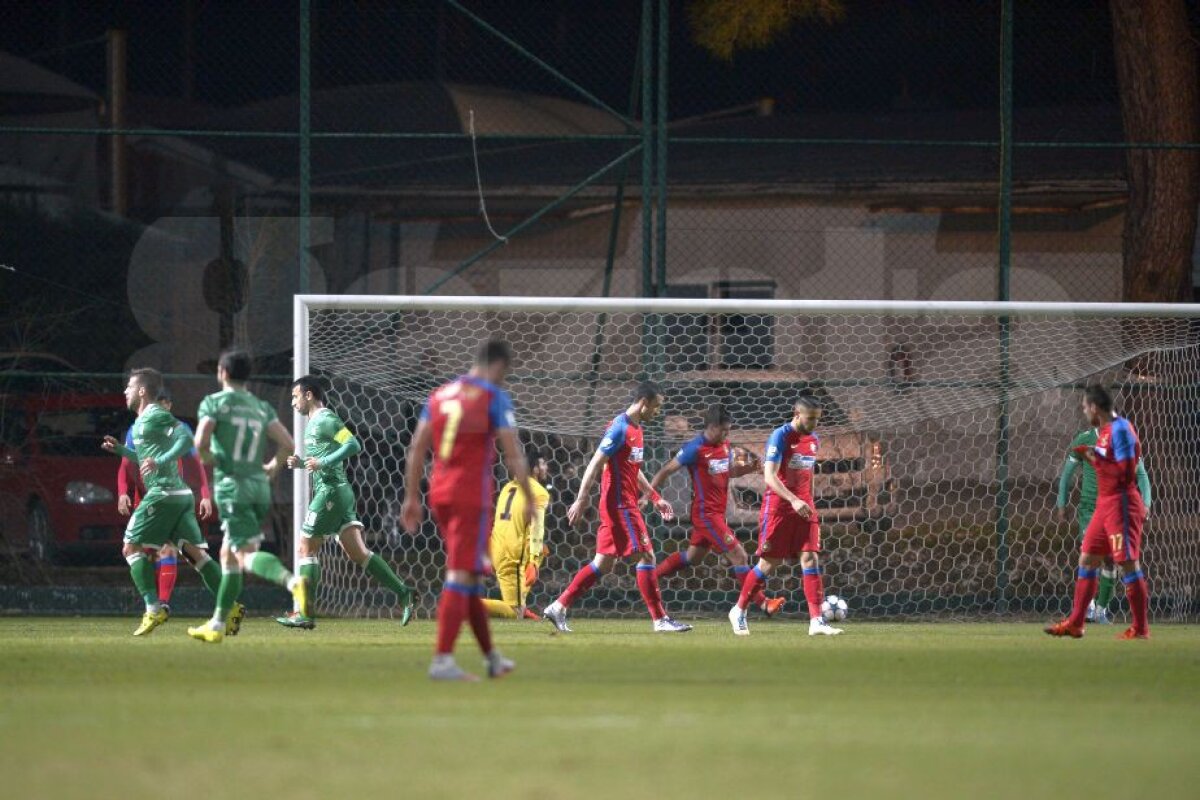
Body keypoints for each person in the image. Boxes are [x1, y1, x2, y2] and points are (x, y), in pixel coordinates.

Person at [402, 338, 532, 681]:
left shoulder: (440, 395)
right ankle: (442, 660)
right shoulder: (493, 397)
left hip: (439, 493)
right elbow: (512, 451)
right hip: (470, 496)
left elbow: (417, 448)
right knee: (460, 575)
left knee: (471, 576)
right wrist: (530, 499)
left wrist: (411, 496)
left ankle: (491, 658)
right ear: (499, 367)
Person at [542, 382, 693, 634]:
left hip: (624, 502)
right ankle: (660, 619)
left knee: (603, 563)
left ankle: (558, 606)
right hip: (620, 505)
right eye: (656, 407)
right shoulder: (619, 429)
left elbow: (633, 469)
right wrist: (581, 499)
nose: (657, 412)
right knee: (647, 556)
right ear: (644, 402)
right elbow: (595, 463)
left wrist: (655, 497)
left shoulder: (636, 429)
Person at [101, 368, 234, 636]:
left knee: (131, 548)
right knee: (197, 556)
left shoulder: (156, 414)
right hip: (179, 496)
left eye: (129, 386)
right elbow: (145, 459)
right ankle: (230, 607)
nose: (125, 391)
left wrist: (160, 460)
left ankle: (154, 608)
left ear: (141, 391)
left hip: (164, 494)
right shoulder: (140, 423)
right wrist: (121, 451)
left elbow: (186, 440)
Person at [277, 374, 416, 629]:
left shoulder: (325, 419)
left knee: (306, 547)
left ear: (309, 395)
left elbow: (353, 444)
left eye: (296, 396)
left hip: (330, 492)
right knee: (359, 553)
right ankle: (404, 592)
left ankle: (305, 613)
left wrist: (323, 462)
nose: (293, 402)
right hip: (337, 492)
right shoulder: (313, 422)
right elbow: (320, 458)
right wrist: (301, 464)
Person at [186, 350, 304, 643]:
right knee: (228, 555)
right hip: (258, 486)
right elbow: (288, 443)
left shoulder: (215, 403)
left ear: (222, 372)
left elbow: (199, 444)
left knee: (243, 555)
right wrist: (272, 468)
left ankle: (293, 582)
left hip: (233, 486)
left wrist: (213, 458)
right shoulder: (261, 407)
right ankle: (216, 625)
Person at [647, 403, 784, 617]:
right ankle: (764, 603)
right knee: (739, 556)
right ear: (711, 427)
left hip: (716, 515)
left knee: (692, 558)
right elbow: (665, 471)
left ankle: (649, 578)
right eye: (723, 430)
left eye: (728, 431)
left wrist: (749, 468)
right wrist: (650, 496)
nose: (726, 434)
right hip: (705, 515)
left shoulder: (725, 445)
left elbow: (728, 471)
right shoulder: (694, 448)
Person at [727, 394, 843, 637]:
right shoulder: (780, 436)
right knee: (768, 564)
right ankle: (739, 610)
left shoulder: (814, 440)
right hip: (778, 508)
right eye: (810, 419)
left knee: (810, 559)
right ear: (796, 414)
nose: (814, 424)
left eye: (817, 420)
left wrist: (808, 502)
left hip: (804, 508)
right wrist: (793, 499)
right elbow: (769, 476)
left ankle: (816, 622)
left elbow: (806, 476)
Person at [1046, 385, 1151, 640]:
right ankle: (1076, 623)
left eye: (1084, 407)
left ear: (1094, 407)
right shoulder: (1103, 432)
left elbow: (1126, 473)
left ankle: (1140, 628)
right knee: (1087, 560)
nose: (1083, 412)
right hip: (1104, 506)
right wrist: (1094, 456)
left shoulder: (1122, 431)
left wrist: (1095, 459)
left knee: (1127, 564)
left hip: (1122, 505)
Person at [116, 387, 215, 618]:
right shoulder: (137, 428)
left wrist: (205, 494)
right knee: (142, 550)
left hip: (168, 492)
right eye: (159, 403)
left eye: (166, 404)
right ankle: (154, 603)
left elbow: (196, 462)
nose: (163, 408)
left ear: (170, 406)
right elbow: (125, 463)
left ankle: (161, 603)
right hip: (148, 493)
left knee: (167, 549)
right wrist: (123, 492)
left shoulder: (176, 428)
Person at [482, 449, 551, 620]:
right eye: (542, 463)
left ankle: (521, 603)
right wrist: (533, 561)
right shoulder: (538, 492)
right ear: (535, 469)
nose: (546, 467)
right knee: (515, 613)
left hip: (496, 548)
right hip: (513, 555)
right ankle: (466, 602)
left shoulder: (507, 487)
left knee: (542, 549)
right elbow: (537, 527)